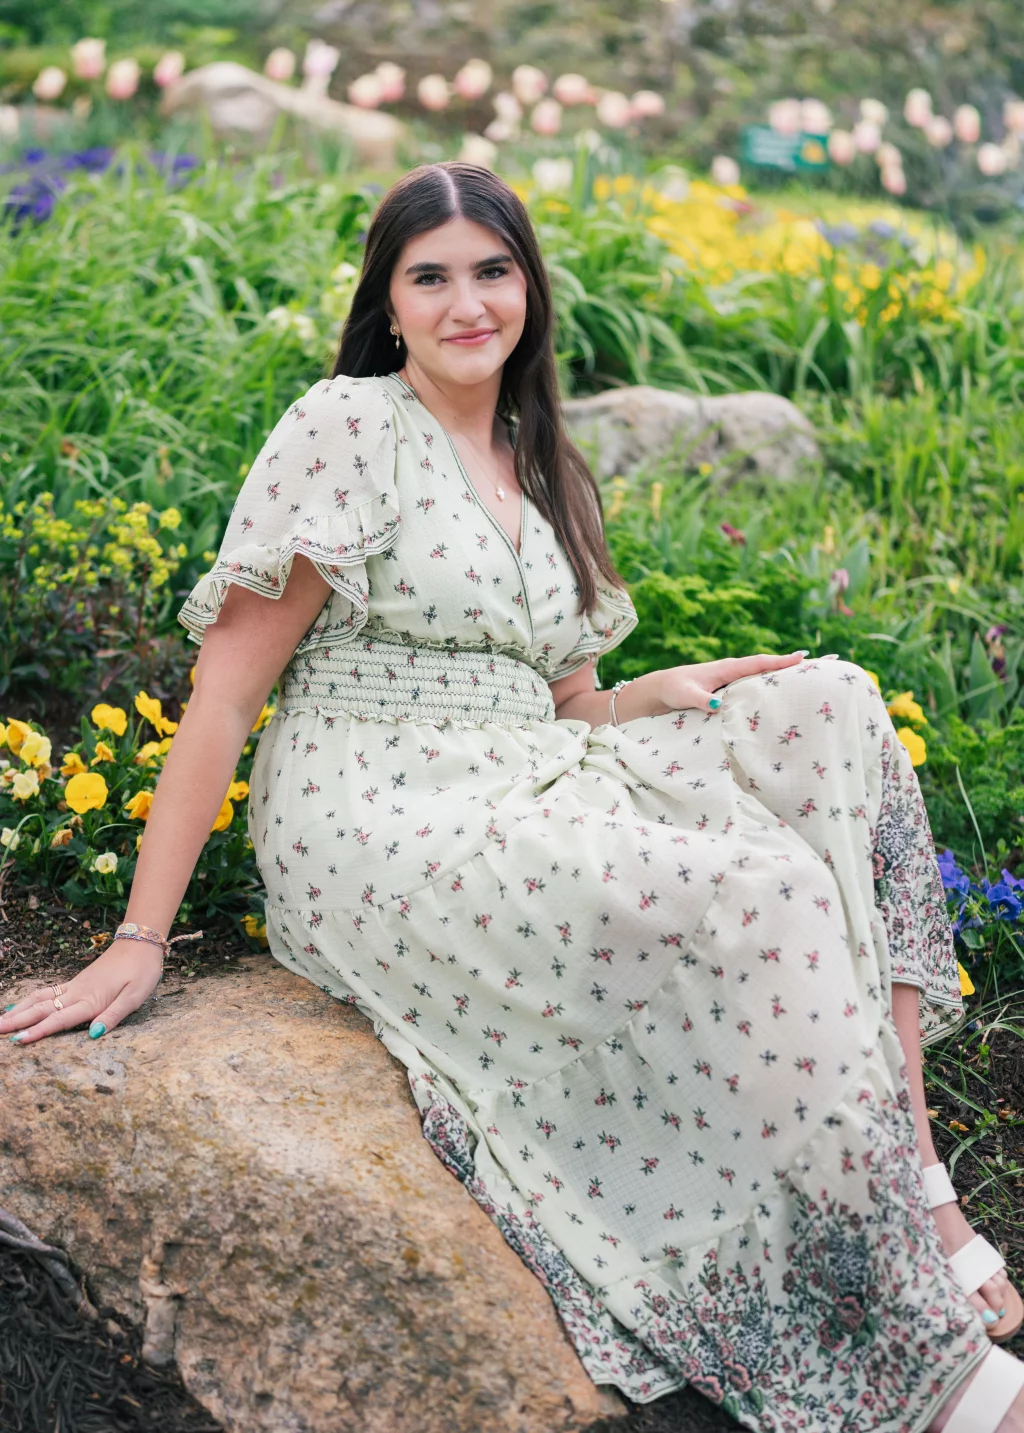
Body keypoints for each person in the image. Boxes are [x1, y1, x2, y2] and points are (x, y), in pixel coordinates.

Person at [3, 161, 1023, 1431]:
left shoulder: (543, 466)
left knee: (836, 704)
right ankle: (896, 1359)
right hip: (374, 799)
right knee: (755, 888)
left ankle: (916, 1176)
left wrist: (677, 686)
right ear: (388, 301)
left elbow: (572, 702)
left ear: (529, 289)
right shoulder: (348, 426)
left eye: (492, 270)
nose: (466, 300)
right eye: (430, 276)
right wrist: (139, 938)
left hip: (529, 765)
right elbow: (221, 697)